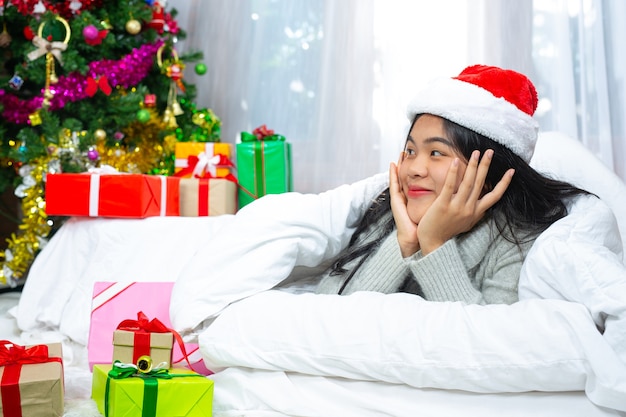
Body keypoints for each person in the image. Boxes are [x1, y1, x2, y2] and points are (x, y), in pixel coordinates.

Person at [315, 64, 590, 304]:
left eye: (436, 153)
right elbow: (329, 309)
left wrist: (434, 244)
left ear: (487, 171)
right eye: (410, 152)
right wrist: (406, 243)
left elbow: (488, 346)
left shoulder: (516, 239)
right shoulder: (396, 210)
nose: (414, 169)